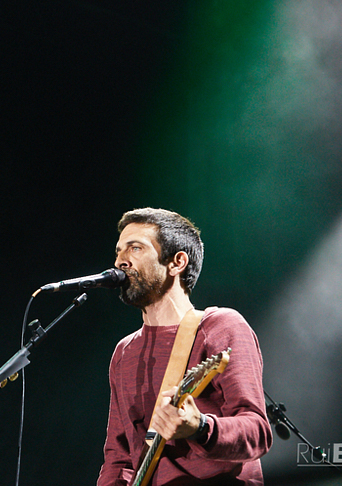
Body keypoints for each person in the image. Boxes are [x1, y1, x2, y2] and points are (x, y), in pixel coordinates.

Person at [97, 208, 271, 486]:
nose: (121, 261)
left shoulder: (220, 326)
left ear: (177, 263)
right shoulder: (124, 352)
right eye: (119, 251)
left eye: (135, 248)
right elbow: (118, 455)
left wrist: (200, 428)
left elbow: (257, 432)